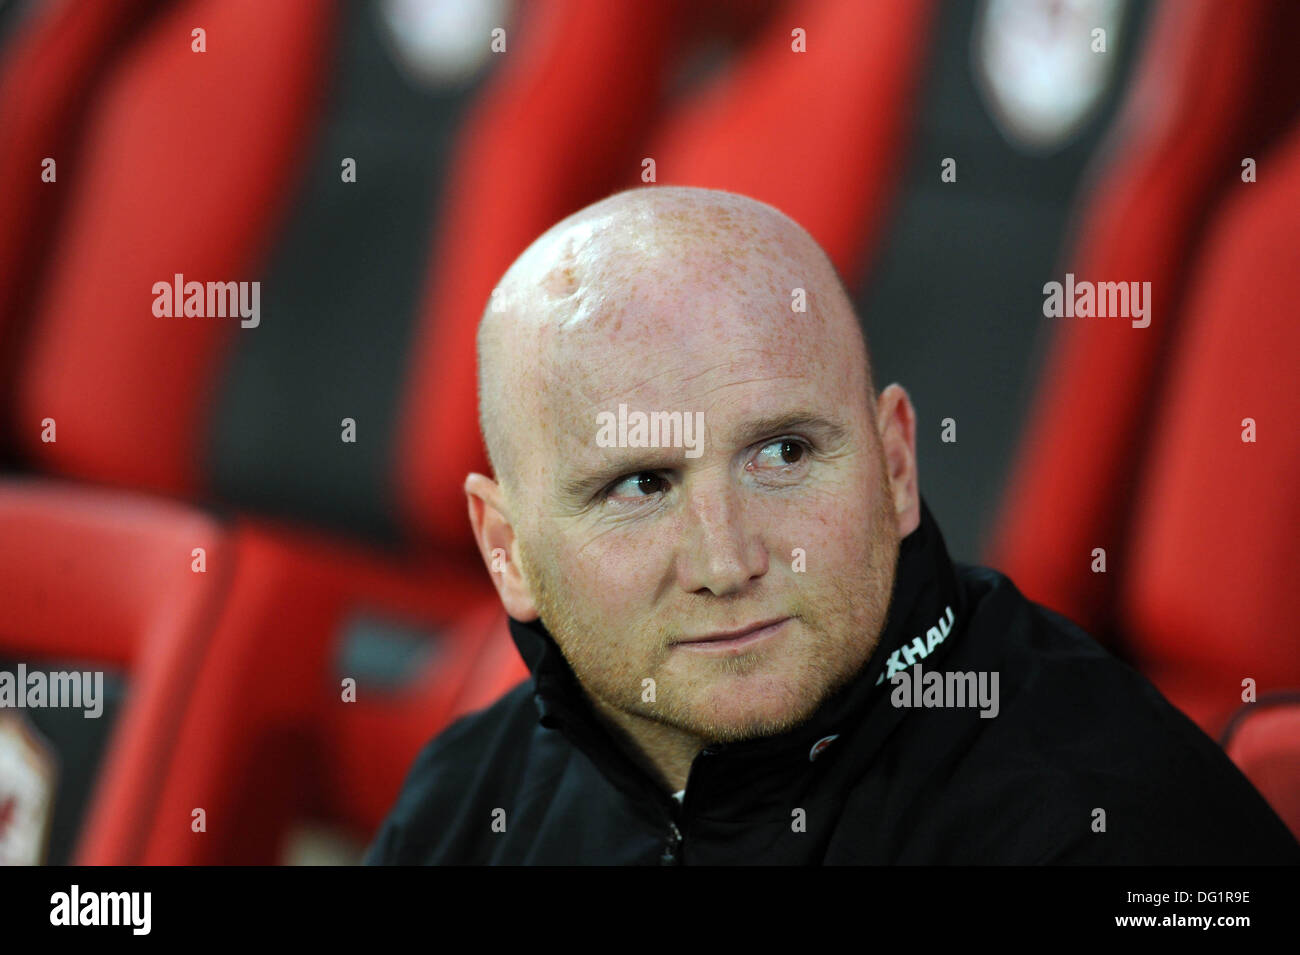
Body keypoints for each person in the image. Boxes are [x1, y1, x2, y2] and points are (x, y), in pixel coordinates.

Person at [366, 186, 1299, 864]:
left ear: (896, 464)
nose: (727, 561)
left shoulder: (1102, 827)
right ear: (508, 550)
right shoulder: (473, 791)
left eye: (783, 454)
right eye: (640, 484)